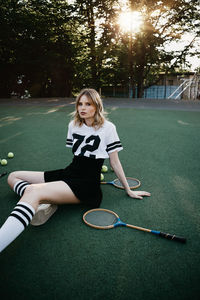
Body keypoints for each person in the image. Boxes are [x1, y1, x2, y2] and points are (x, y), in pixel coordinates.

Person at [0, 88, 151, 252]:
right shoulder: (73, 125)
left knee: (31, 191)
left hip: (86, 184)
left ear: (97, 106)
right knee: (13, 177)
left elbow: (114, 162)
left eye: (88, 104)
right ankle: (46, 199)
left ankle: (36, 202)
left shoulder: (108, 128)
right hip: (69, 173)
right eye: (80, 104)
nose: (82, 108)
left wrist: (128, 190)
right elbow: (77, 156)